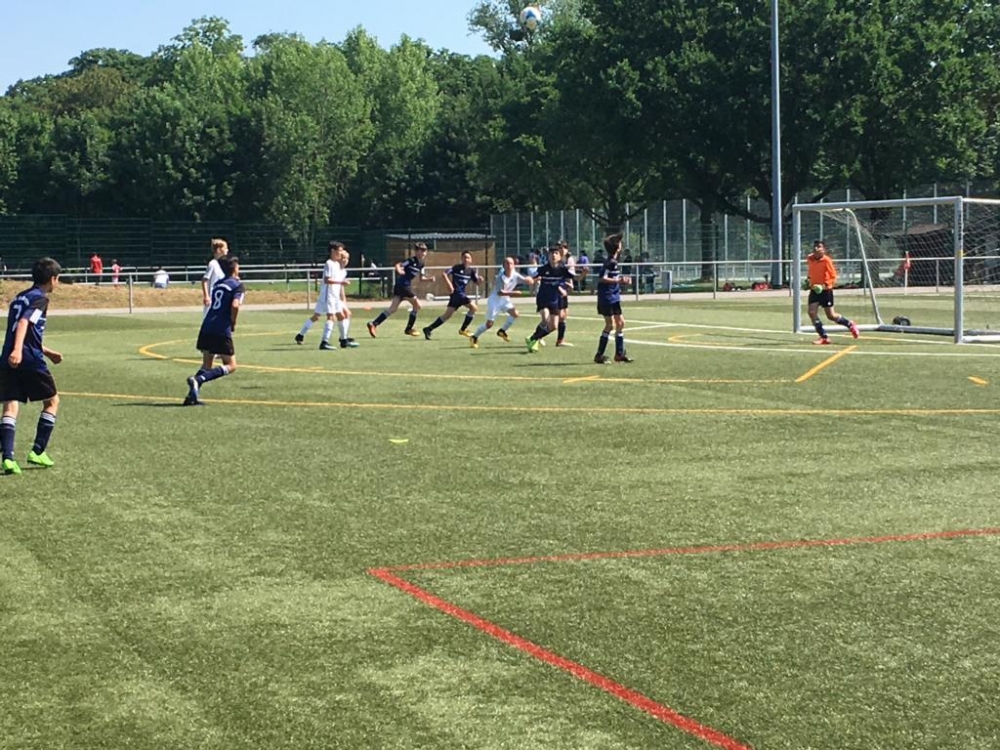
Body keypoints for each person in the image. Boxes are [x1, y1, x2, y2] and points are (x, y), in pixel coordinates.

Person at [1, 257, 64, 474]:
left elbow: (21, 330)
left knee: (10, 406)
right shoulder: (40, 299)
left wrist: (47, 351)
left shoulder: (20, 297)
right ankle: (37, 451)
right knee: (52, 401)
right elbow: (24, 323)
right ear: (52, 279)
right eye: (58, 279)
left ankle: (8, 458)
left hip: (8, 357)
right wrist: (19, 351)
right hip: (28, 358)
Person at [183, 255, 245, 406]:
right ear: (235, 268)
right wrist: (233, 322)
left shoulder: (218, 283)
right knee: (231, 365)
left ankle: (192, 396)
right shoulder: (237, 285)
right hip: (221, 329)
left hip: (207, 326)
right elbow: (235, 305)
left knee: (207, 365)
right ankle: (198, 379)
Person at [295, 241, 356, 350]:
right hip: (328, 296)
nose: (341, 254)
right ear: (333, 251)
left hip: (334, 297)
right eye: (340, 251)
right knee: (330, 317)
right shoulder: (329, 263)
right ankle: (324, 342)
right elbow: (327, 280)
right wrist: (341, 282)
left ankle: (343, 340)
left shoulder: (337, 265)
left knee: (340, 316)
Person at [366, 242, 435, 337]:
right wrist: (399, 270)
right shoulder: (411, 260)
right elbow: (398, 265)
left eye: (425, 250)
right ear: (416, 251)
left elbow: (421, 278)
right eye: (421, 250)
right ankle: (409, 329)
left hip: (402, 286)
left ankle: (374, 323)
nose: (424, 253)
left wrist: (429, 279)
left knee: (392, 309)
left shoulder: (421, 264)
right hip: (403, 286)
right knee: (417, 305)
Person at [469, 256, 535, 348]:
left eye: (511, 263)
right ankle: (474, 336)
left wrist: (530, 280)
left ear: (514, 265)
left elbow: (525, 280)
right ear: (503, 265)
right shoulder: (501, 277)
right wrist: (514, 293)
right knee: (489, 324)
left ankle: (502, 331)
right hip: (495, 300)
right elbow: (500, 292)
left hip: (505, 299)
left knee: (515, 314)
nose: (509, 265)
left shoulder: (515, 274)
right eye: (507, 263)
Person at [807, 240, 860, 345]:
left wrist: (823, 285)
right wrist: (808, 281)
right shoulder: (810, 258)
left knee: (831, 316)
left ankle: (849, 324)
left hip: (826, 291)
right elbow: (811, 272)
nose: (816, 248)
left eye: (819, 247)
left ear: (824, 250)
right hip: (814, 290)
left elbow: (833, 276)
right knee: (812, 312)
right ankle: (824, 337)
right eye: (815, 246)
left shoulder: (827, 260)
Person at [525, 245, 575, 352]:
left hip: (554, 300)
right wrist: (530, 280)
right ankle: (534, 340)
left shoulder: (562, 269)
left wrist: (584, 273)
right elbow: (533, 278)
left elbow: (576, 278)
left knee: (553, 326)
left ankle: (533, 338)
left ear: (560, 256)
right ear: (548, 256)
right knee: (545, 318)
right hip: (543, 298)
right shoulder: (543, 269)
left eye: (556, 253)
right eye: (552, 253)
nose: (554, 255)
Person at [422, 250, 481, 339]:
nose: (466, 259)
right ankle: (463, 329)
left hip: (458, 295)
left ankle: (428, 329)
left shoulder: (471, 271)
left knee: (446, 316)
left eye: (468, 258)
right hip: (457, 294)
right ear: (461, 258)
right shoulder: (456, 268)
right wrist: (449, 284)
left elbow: (477, 283)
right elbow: (444, 274)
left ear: (471, 260)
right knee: (473, 308)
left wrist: (480, 280)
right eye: (464, 257)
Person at [593, 233, 634, 364]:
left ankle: (619, 354)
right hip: (607, 297)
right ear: (617, 247)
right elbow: (602, 278)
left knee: (620, 323)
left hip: (614, 297)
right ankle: (599, 355)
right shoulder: (610, 262)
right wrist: (618, 280)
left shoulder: (614, 262)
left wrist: (623, 280)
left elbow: (613, 277)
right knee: (610, 325)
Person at [202, 238, 229, 313]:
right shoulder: (213, 263)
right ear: (219, 250)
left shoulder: (225, 264)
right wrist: (206, 296)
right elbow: (204, 280)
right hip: (212, 298)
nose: (227, 250)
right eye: (225, 248)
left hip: (220, 298)